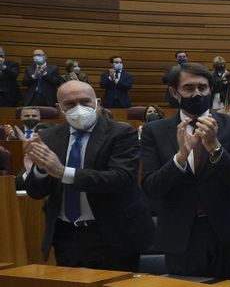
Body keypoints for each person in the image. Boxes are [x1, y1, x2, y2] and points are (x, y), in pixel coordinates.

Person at [140, 63, 230, 280]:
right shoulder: (153, 131)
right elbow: (151, 187)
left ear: (211, 90)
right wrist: (180, 158)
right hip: (181, 232)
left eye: (203, 87)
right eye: (189, 88)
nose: (197, 93)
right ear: (175, 92)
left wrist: (214, 147)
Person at [22, 80, 155, 270]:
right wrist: (42, 169)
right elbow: (36, 192)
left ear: (97, 102)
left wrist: (62, 172)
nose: (79, 108)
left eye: (85, 102)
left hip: (112, 234)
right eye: (70, 104)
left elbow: (120, 178)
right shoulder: (48, 136)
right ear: (59, 108)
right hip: (66, 236)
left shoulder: (121, 133)